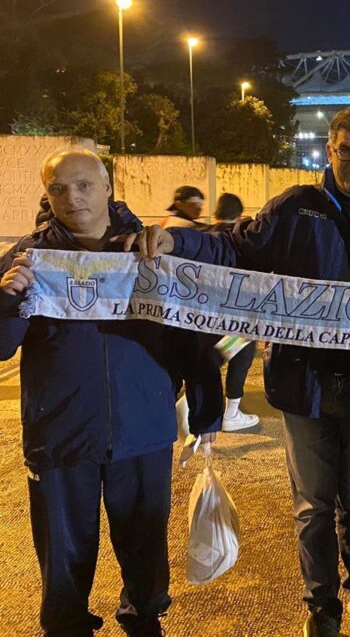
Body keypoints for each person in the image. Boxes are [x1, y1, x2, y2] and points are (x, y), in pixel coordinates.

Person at [139, 108, 350, 637]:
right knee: (314, 506)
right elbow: (234, 244)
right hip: (304, 385)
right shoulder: (297, 208)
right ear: (330, 151)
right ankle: (322, 606)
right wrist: (179, 242)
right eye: (345, 151)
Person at [0, 148, 221, 637]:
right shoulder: (28, 258)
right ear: (47, 195)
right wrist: (7, 301)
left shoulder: (149, 253)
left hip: (142, 429)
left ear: (107, 189)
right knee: (63, 550)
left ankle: (143, 618)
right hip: (59, 435)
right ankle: (65, 623)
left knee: (144, 540)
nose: (72, 197)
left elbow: (190, 332)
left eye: (83, 185)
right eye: (58, 188)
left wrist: (207, 410)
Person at [208, 193, 260, 432]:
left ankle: (194, 400)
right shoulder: (241, 239)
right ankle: (231, 411)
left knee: (216, 355)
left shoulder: (204, 235)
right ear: (239, 215)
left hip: (206, 314)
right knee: (241, 353)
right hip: (236, 316)